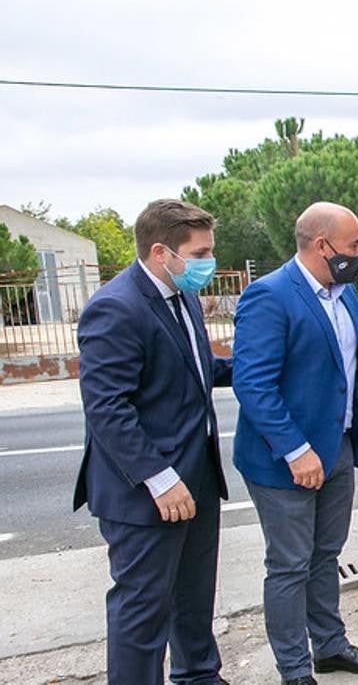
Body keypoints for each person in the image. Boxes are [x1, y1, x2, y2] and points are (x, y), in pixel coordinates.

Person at [232, 202, 358, 685]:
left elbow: (355, 355)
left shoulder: (342, 294)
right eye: (355, 245)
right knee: (289, 565)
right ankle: (295, 670)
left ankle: (331, 647)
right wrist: (296, 451)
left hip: (338, 447)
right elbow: (253, 384)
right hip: (286, 461)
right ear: (323, 245)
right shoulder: (270, 295)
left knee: (325, 556)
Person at [74, 199, 233, 684]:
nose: (207, 262)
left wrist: (262, 365)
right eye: (200, 252)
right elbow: (107, 408)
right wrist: (161, 480)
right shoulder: (115, 307)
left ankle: (198, 675)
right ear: (162, 251)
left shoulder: (180, 296)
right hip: (145, 491)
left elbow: (194, 368)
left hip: (197, 476)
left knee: (193, 594)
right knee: (143, 609)